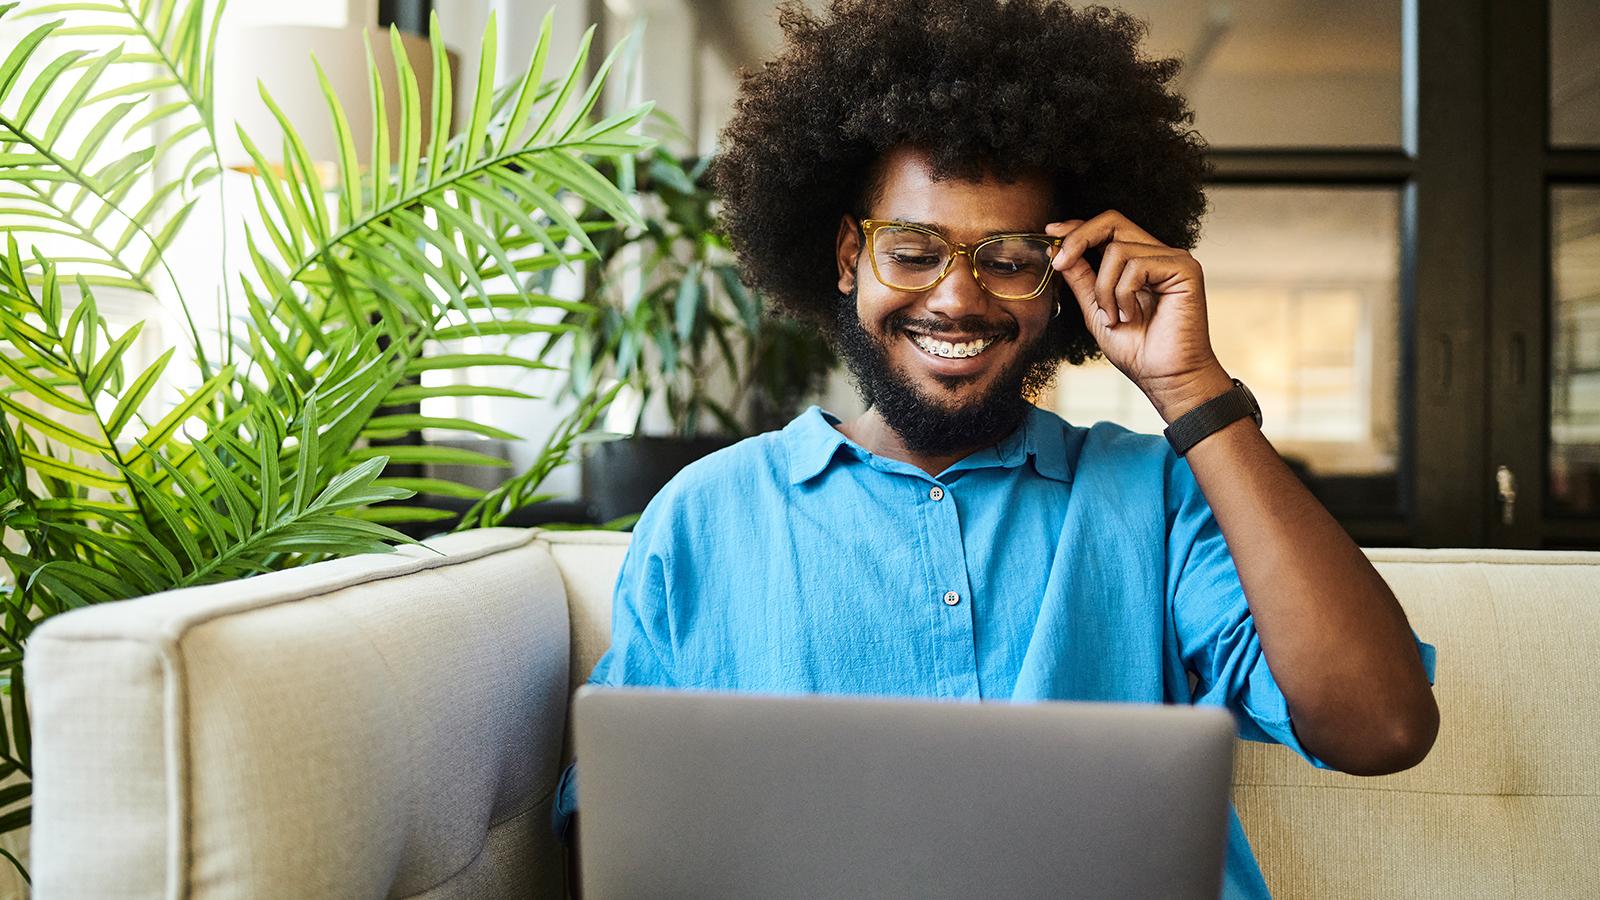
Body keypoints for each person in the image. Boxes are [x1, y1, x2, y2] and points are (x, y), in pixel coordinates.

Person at [553, 1, 1440, 896]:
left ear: (1066, 279)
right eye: (912, 250)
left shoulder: (1158, 499)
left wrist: (1192, 389)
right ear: (846, 257)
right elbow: (616, 819)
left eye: (1010, 258)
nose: (958, 299)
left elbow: (1382, 727)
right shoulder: (708, 514)